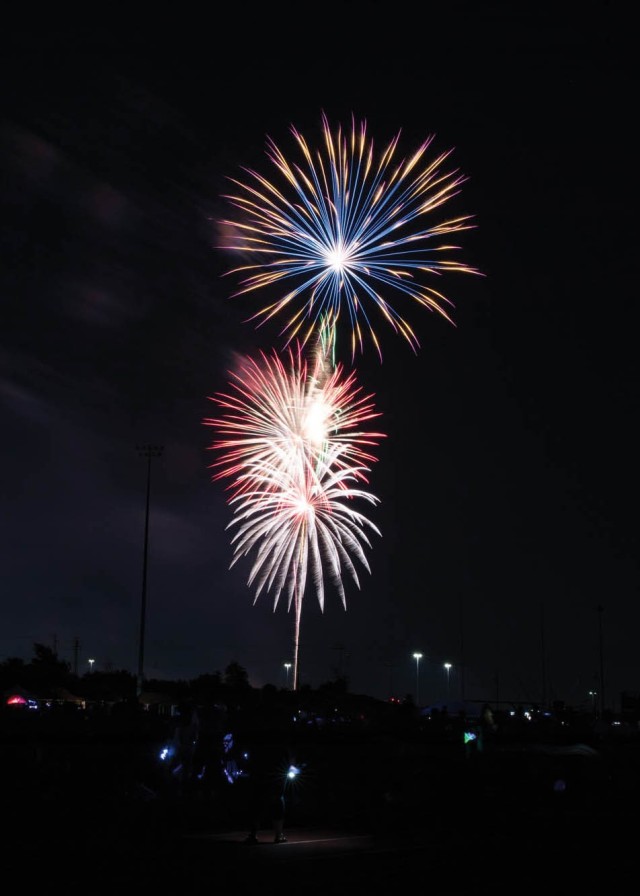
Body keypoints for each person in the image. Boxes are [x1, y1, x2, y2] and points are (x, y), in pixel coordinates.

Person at [242, 729, 291, 844]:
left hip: (264, 774)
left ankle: (255, 834)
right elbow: (286, 759)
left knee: (259, 802)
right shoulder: (278, 743)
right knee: (274, 801)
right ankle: (277, 835)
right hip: (271, 775)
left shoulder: (260, 741)